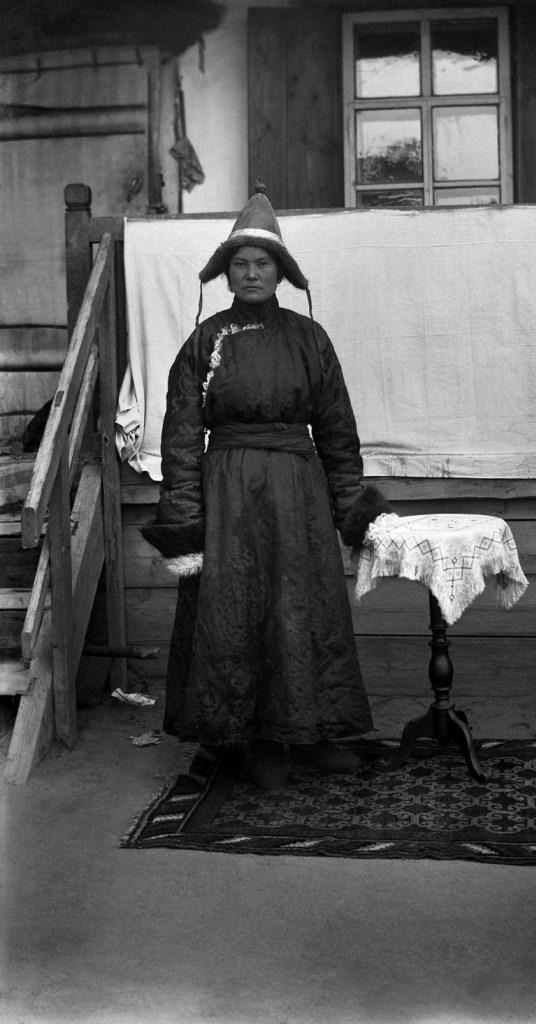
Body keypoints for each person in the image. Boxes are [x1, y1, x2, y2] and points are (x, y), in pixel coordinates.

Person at [142, 187, 391, 789]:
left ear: (282, 272)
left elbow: (337, 428)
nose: (251, 273)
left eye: (263, 263)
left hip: (298, 491)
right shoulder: (204, 344)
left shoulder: (311, 339)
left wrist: (350, 508)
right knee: (238, 610)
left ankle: (312, 731)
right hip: (229, 492)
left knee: (305, 606)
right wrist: (185, 519)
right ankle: (252, 738)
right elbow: (179, 440)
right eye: (240, 264)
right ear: (225, 275)